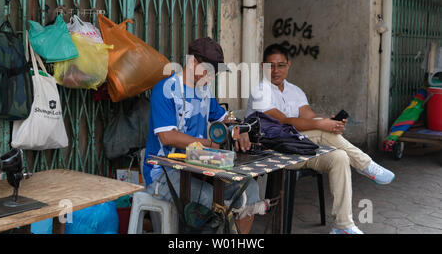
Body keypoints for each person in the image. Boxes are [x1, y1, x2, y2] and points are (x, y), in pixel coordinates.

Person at [246, 43, 395, 234]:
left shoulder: (295, 91)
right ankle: (365, 164)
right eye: (270, 66)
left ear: (289, 65)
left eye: (281, 65)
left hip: (299, 151)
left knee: (340, 156)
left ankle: (343, 225)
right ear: (262, 66)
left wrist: (328, 122)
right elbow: (283, 122)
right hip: (274, 153)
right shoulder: (260, 91)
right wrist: (321, 125)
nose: (276, 71)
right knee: (322, 131)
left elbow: (309, 116)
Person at [143, 37, 266, 234]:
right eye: (208, 70)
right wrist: (208, 143)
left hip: (198, 167)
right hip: (164, 172)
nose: (212, 76)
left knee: (248, 188)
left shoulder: (203, 92)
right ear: (192, 62)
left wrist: (241, 130)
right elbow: (167, 137)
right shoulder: (166, 90)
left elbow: (225, 118)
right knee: (208, 197)